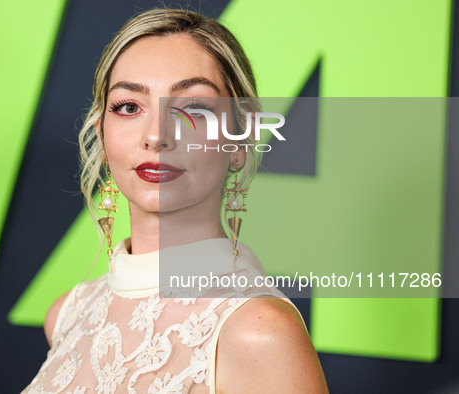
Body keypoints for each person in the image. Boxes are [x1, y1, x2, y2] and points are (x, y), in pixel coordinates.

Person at [22, 8, 328, 394]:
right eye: (129, 107)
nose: (157, 136)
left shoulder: (259, 332)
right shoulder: (67, 314)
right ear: (102, 133)